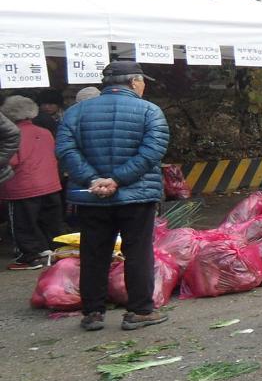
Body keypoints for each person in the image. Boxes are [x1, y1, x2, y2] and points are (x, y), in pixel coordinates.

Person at [56, 60, 170, 332]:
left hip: (92, 196)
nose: (143, 86)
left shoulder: (75, 113)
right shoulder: (150, 112)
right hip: (137, 196)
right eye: (142, 81)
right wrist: (118, 179)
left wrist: (93, 180)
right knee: (138, 252)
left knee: (94, 253)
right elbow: (153, 151)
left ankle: (92, 313)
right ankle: (140, 311)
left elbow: (66, 150)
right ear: (133, 82)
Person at [1, 96, 63, 270]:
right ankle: (52, 251)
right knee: (50, 222)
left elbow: (11, 160)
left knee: (23, 224)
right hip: (51, 184)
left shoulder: (11, 134)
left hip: (23, 186)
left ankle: (28, 258)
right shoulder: (44, 132)